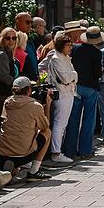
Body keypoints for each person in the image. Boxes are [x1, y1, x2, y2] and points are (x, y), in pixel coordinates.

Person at [0, 77, 52, 181]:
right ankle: (34, 171)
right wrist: (47, 106)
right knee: (47, 132)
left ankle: (12, 166)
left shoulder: (7, 102)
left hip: (3, 153)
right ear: (28, 90)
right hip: (23, 155)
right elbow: (45, 126)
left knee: (20, 129)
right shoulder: (35, 106)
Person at [64, 26, 104, 159]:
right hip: (90, 88)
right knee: (89, 120)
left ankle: (69, 150)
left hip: (75, 86)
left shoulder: (74, 49)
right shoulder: (97, 53)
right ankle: (85, 150)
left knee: (73, 119)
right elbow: (98, 73)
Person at [39, 33, 78, 164]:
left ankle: (58, 150)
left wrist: (72, 76)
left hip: (68, 91)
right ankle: (56, 152)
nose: (70, 48)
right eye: (68, 45)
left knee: (62, 123)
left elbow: (70, 77)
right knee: (59, 123)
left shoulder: (66, 57)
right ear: (61, 46)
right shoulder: (56, 58)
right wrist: (74, 75)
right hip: (62, 93)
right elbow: (66, 78)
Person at [0, 27, 20, 166]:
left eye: (14, 38)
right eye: (8, 38)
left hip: (4, 95)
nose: (11, 41)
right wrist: (20, 85)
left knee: (1, 129)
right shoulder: (1, 54)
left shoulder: (8, 53)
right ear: (2, 39)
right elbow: (4, 76)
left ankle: (0, 161)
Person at [14, 13, 39, 81]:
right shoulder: (12, 40)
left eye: (31, 22)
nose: (30, 25)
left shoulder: (31, 42)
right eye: (27, 22)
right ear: (17, 22)